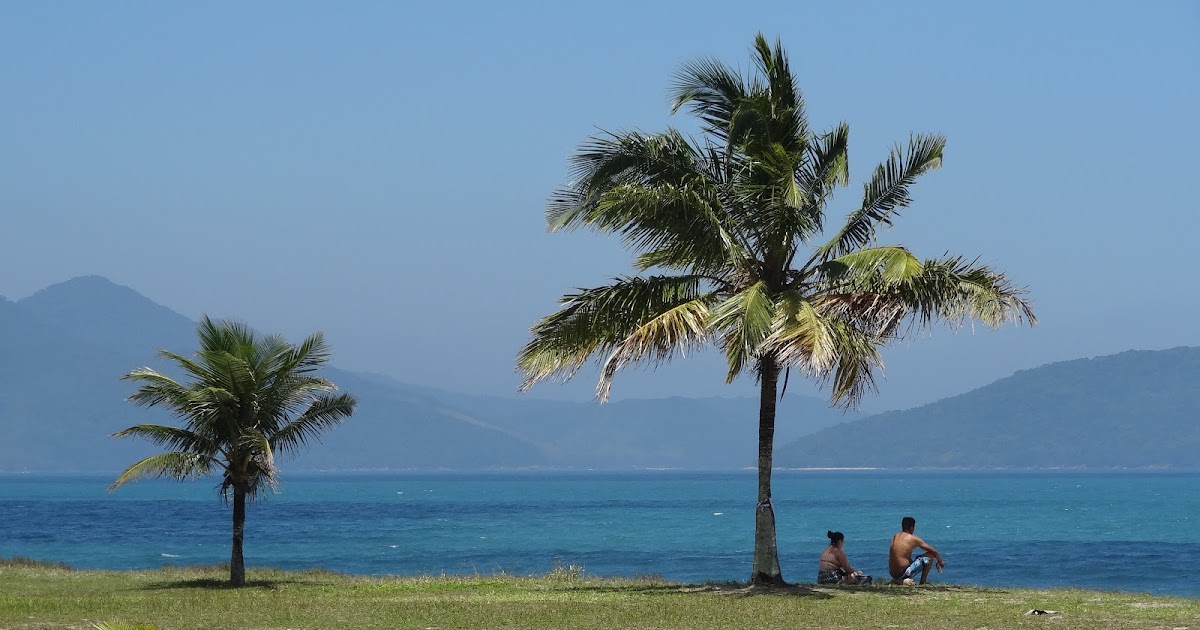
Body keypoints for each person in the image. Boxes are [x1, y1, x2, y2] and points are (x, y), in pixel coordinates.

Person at [888, 516, 945, 585]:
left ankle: (898, 581)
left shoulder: (895, 536)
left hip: (892, 573)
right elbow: (933, 551)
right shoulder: (912, 538)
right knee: (929, 556)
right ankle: (922, 582)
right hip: (903, 573)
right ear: (912, 527)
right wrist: (940, 561)